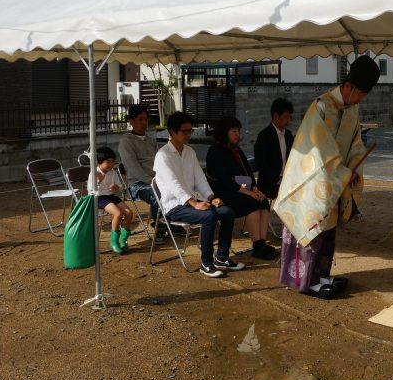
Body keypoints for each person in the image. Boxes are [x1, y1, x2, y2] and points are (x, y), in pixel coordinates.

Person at [273, 55, 380, 299]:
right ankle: (305, 281)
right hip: (310, 181)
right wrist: (343, 172)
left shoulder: (353, 109)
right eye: (360, 94)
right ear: (349, 86)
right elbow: (317, 149)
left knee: (327, 233)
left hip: (334, 181)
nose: (361, 100)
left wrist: (353, 166)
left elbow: (355, 143)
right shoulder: (320, 106)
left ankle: (319, 277)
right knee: (313, 230)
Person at [154, 111, 244, 278]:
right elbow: (174, 185)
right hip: (174, 206)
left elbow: (200, 179)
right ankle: (206, 263)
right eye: (185, 131)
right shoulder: (163, 156)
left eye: (190, 131)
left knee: (227, 211)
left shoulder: (190, 152)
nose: (188, 134)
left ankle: (222, 257)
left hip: (193, 201)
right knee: (209, 216)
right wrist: (194, 203)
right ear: (172, 132)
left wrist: (211, 197)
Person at [206, 116, 278, 261]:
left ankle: (262, 243)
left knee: (262, 201)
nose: (237, 135)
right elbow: (226, 181)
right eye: (234, 131)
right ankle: (257, 245)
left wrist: (256, 189)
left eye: (238, 131)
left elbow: (248, 173)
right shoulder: (215, 151)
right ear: (224, 132)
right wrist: (250, 193)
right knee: (251, 203)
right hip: (224, 193)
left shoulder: (235, 150)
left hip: (241, 189)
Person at [118, 104, 167, 243]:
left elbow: (161, 163)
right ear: (131, 121)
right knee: (157, 192)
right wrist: (155, 181)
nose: (144, 123)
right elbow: (133, 168)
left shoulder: (151, 140)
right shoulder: (126, 142)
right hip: (138, 184)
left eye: (146, 119)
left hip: (156, 180)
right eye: (140, 119)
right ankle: (160, 228)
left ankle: (171, 222)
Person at [92, 146, 135, 254]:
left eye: (113, 162)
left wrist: (116, 187)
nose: (111, 164)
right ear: (99, 162)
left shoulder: (113, 172)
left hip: (111, 196)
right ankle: (114, 241)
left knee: (129, 213)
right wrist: (98, 181)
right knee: (118, 214)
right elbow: (90, 190)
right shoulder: (94, 173)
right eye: (108, 162)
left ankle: (123, 239)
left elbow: (120, 186)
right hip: (100, 197)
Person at [253, 98, 294, 201]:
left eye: (290, 117)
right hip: (270, 185)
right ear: (276, 116)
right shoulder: (264, 136)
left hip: (287, 182)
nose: (289, 121)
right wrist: (278, 180)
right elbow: (261, 163)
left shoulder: (288, 135)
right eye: (286, 117)